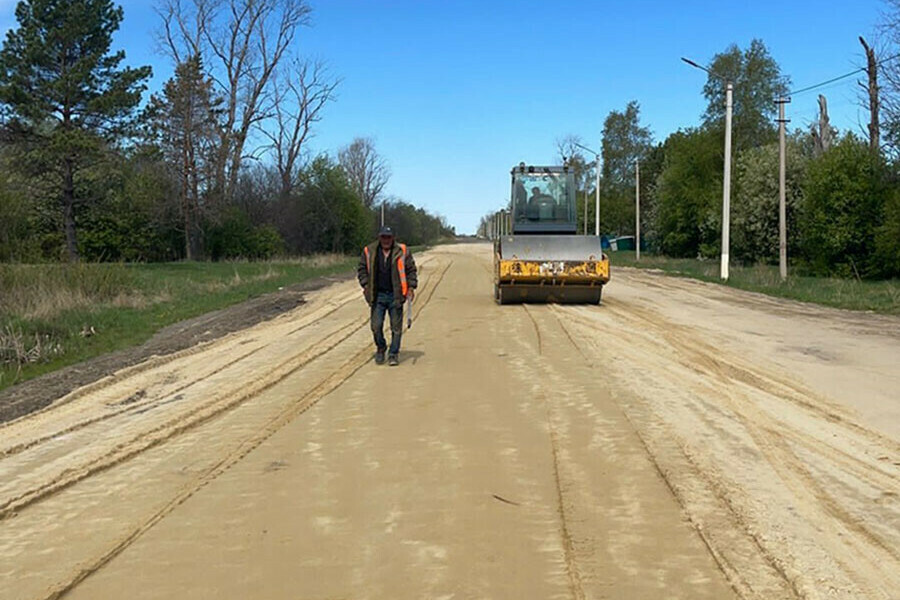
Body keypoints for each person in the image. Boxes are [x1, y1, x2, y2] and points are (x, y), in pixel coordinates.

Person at [357, 226, 418, 366]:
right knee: (376, 326)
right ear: (379, 237)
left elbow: (411, 270)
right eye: (383, 237)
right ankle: (381, 347)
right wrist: (365, 285)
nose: (386, 240)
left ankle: (393, 354)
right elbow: (361, 269)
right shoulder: (369, 251)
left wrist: (411, 287)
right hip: (377, 295)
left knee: (396, 328)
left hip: (396, 295)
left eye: (388, 237)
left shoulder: (402, 251)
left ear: (393, 238)